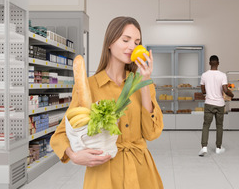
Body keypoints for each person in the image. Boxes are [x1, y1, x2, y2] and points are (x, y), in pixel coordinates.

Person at [50, 16, 164, 189]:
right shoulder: (88, 87)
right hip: (104, 175)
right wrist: (73, 155)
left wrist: (145, 81)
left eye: (137, 42)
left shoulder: (143, 85)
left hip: (141, 173)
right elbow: (60, 134)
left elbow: (151, 133)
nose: (132, 46)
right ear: (109, 43)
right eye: (126, 40)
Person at [198, 55, 234, 157]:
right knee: (219, 126)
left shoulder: (204, 75)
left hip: (209, 103)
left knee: (206, 125)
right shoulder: (222, 75)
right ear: (218, 63)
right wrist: (232, 95)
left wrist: (208, 93)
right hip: (219, 104)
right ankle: (218, 148)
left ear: (210, 63)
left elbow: (203, 90)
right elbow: (226, 90)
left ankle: (204, 147)